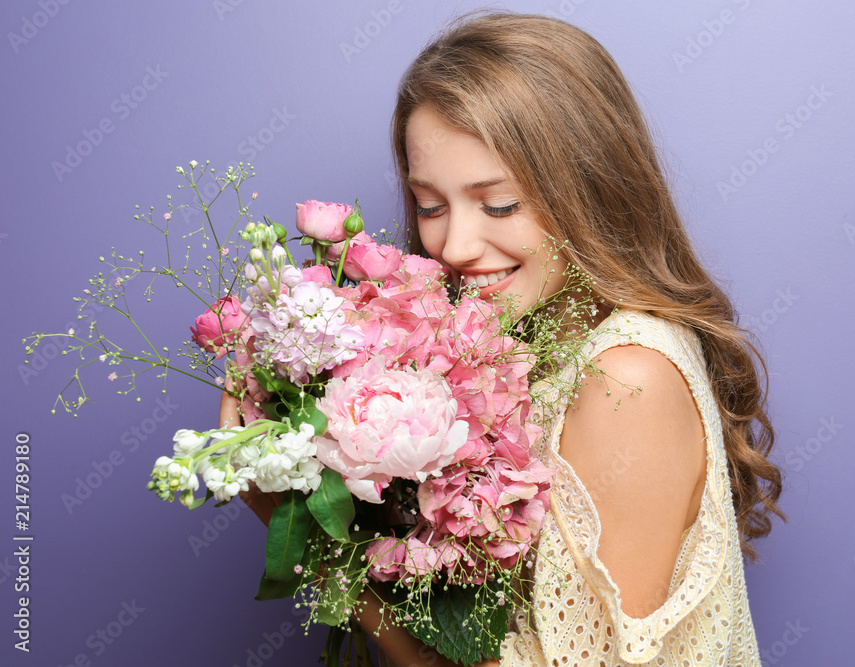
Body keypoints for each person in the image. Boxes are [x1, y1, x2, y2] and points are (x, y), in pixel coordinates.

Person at [223, 10, 785, 666]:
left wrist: (308, 537)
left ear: (591, 187)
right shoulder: (521, 350)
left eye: (499, 205)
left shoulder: (627, 376)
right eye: (430, 206)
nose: (454, 246)